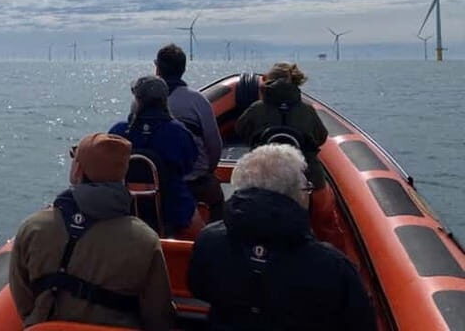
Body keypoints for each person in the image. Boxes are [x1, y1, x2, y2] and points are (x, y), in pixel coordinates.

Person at [187, 144, 376, 331]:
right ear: (296, 195)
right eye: (306, 189)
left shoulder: (208, 241)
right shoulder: (332, 267)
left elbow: (199, 287)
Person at [9, 132, 174, 330]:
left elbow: (23, 300)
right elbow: (158, 313)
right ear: (122, 174)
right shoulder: (145, 239)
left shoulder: (34, 227)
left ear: (78, 170)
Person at [235, 62, 342, 244]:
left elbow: (240, 130)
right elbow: (321, 137)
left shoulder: (256, 109)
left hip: (264, 184)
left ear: (267, 82)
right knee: (326, 225)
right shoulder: (307, 111)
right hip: (309, 182)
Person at [109, 76, 201, 238]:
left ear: (138, 100)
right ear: (165, 100)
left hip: (123, 211)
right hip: (173, 213)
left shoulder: (118, 132)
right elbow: (189, 165)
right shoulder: (179, 133)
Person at [155, 43, 223, 221]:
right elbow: (214, 145)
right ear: (183, 69)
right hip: (194, 182)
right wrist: (208, 170)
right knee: (216, 197)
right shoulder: (197, 101)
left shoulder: (140, 102)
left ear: (157, 69)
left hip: (156, 183)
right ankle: (217, 238)